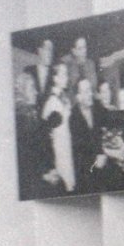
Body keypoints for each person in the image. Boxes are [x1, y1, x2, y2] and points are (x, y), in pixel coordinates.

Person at [39, 62, 75, 192]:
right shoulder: (51, 103)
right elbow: (46, 137)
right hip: (59, 154)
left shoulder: (63, 99)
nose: (67, 77)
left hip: (67, 149)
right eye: (63, 74)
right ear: (55, 78)